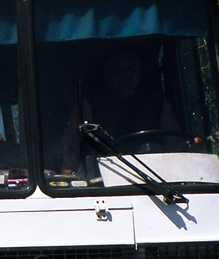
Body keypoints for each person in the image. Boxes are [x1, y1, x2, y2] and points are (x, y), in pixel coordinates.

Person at [60, 44, 183, 174]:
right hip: (104, 182)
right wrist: (68, 171)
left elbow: (175, 145)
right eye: (117, 70)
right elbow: (71, 149)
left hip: (157, 178)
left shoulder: (156, 102)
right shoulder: (89, 103)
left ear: (141, 71)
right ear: (106, 73)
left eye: (132, 68)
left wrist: (191, 147)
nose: (126, 75)